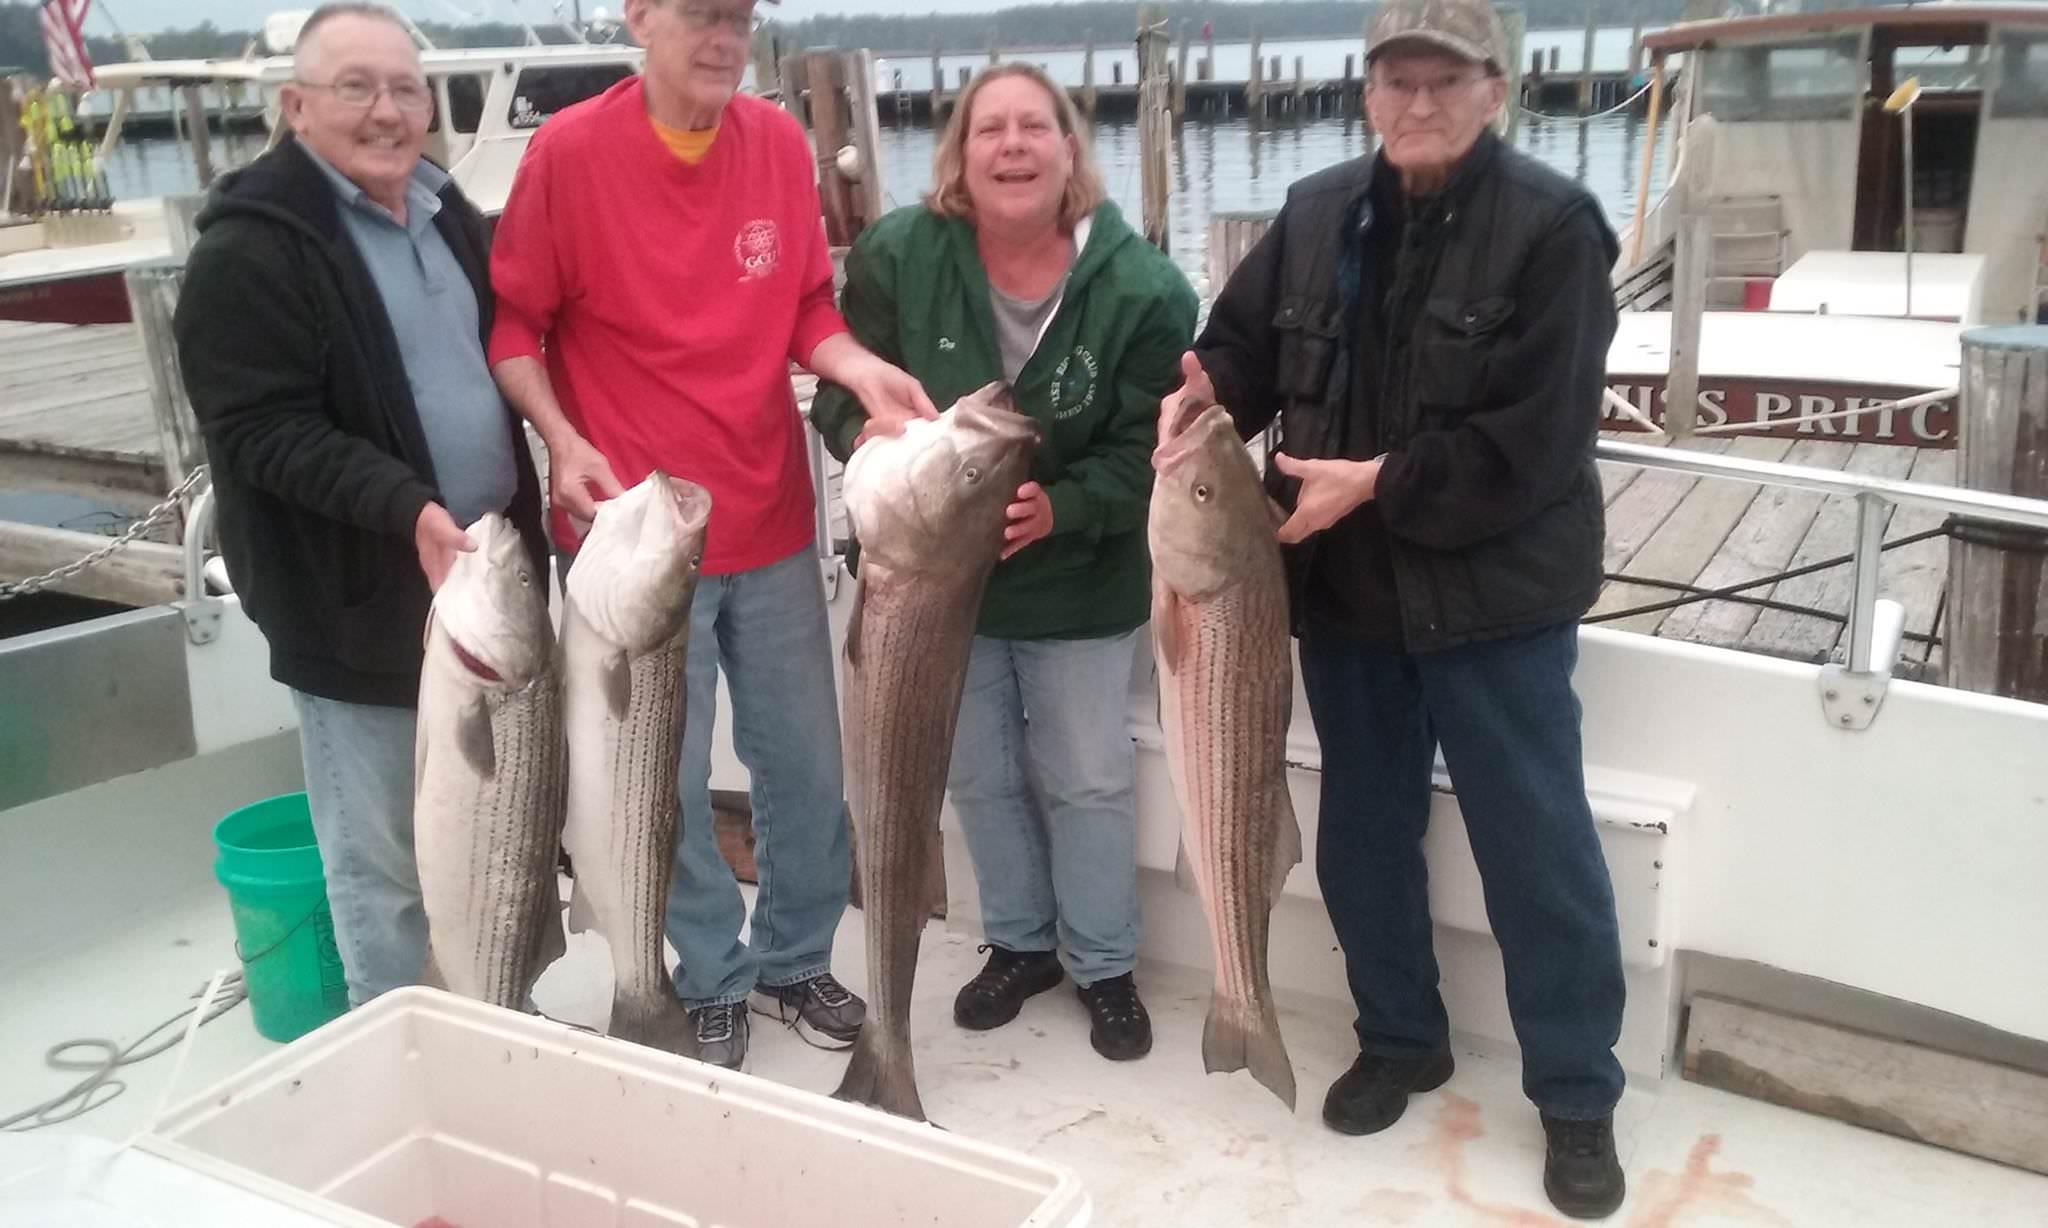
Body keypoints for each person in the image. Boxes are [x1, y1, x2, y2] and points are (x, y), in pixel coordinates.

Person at [1183, 0, 1629, 1217]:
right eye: (1396, 80)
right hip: (1348, 603)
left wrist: (1373, 481)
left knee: (1535, 852)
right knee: (1362, 837)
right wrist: (1199, 393)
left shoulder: (1554, 229)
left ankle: (1576, 1094)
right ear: (1366, 90)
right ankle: (1398, 1035)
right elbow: (1237, 351)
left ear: (1495, 90)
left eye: (1444, 81)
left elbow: (1534, 448)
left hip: (1496, 604)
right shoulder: (1315, 211)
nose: (1416, 102)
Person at [487, 0, 935, 1070]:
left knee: (804, 767)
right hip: (631, 541)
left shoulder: (778, 141)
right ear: (639, 18)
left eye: (738, 16)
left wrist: (855, 366)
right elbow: (513, 326)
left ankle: (792, 956)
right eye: (697, 13)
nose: (722, 36)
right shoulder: (567, 153)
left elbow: (805, 307)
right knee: (662, 782)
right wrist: (555, 435)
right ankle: (708, 971)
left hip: (772, 514)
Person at [811, 64, 1198, 1062]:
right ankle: (1019, 942)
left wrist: (1061, 508)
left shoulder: (1145, 289)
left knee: (1086, 779)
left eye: (1036, 126)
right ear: (958, 154)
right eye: (991, 129)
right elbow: (839, 401)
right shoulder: (899, 255)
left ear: (1070, 150)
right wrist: (872, 434)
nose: (1013, 145)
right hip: (933, 589)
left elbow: (1140, 453)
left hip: (1078, 586)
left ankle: (1104, 961)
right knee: (976, 776)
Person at [174, 3, 549, 1008]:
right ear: (296, 106)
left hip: (485, 598)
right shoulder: (249, 251)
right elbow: (259, 431)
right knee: (384, 867)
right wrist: (407, 509)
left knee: (498, 846)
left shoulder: (443, 210)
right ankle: (407, 1049)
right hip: (358, 611)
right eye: (355, 88)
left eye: (405, 88)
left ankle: (499, 1020)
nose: (386, 112)